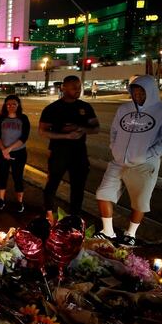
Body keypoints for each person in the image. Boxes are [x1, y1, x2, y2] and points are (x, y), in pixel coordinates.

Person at [93, 75, 162, 246]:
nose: (138, 96)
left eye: (142, 93)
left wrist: (148, 154)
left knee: (140, 201)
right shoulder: (124, 109)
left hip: (144, 163)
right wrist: (114, 146)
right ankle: (108, 231)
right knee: (103, 193)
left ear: (151, 92)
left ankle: (130, 233)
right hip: (118, 160)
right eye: (134, 92)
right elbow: (115, 130)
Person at [39, 75, 100, 222]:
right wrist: (65, 136)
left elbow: (96, 128)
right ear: (63, 88)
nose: (77, 90)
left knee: (78, 186)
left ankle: (75, 216)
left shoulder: (85, 107)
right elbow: (42, 131)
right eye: (74, 88)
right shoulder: (53, 108)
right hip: (59, 152)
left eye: (79, 87)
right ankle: (48, 213)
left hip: (79, 152)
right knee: (52, 183)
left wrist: (81, 128)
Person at [0, 95, 30, 213]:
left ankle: (19, 202)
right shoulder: (1, 118)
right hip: (1, 152)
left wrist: (8, 150)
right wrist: (3, 150)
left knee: (18, 177)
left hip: (19, 153)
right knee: (2, 176)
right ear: (5, 106)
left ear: (18, 105)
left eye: (14, 104)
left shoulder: (23, 118)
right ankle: (0, 200)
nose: (11, 106)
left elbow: (24, 138)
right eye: (8, 104)